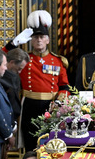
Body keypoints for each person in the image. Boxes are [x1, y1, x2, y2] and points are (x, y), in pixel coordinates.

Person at [5, 10, 70, 151]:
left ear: (47, 39)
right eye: (35, 37)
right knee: (30, 144)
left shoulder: (58, 61)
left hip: (51, 106)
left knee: (50, 143)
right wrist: (13, 43)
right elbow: (1, 60)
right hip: (29, 105)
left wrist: (59, 102)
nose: (39, 40)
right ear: (30, 40)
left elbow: (65, 86)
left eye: (42, 37)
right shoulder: (24, 59)